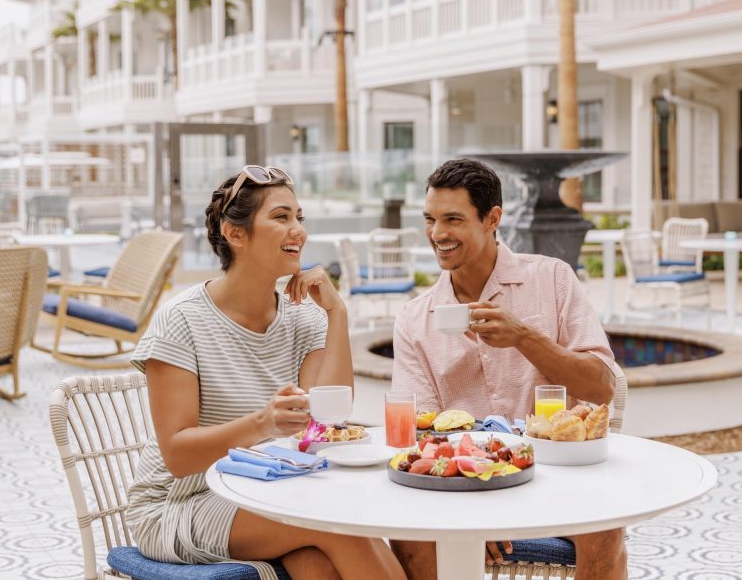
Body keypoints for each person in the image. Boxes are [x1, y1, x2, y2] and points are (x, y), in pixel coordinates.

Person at [127, 165, 406, 580]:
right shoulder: (181, 321)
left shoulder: (303, 316)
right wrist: (262, 423)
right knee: (341, 529)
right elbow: (178, 455)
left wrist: (337, 312)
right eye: (281, 217)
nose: (298, 231)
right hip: (181, 501)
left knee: (318, 565)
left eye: (299, 218)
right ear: (235, 233)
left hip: (271, 489)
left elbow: (327, 417)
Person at [390, 158, 627, 580]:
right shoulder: (416, 317)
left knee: (606, 527)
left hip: (556, 479)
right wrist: (472, 498)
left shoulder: (553, 279)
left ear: (492, 218)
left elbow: (602, 386)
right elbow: (418, 434)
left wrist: (525, 337)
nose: (437, 234)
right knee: (410, 536)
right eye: (430, 219)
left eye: (453, 219)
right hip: (463, 482)